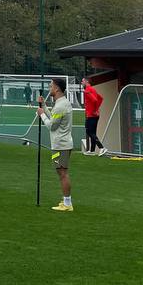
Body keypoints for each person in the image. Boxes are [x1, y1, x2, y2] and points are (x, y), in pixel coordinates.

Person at [37, 76, 75, 211]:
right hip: (61, 144)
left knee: (63, 173)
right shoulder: (61, 103)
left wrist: (41, 114)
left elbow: (51, 126)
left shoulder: (60, 106)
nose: (49, 88)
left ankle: (67, 203)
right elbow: (54, 118)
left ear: (57, 88)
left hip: (61, 145)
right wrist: (44, 106)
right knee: (61, 172)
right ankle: (66, 201)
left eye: (51, 86)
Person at [83, 81, 105, 155]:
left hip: (91, 115)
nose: (81, 82)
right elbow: (100, 98)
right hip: (94, 115)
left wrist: (94, 110)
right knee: (93, 132)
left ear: (87, 82)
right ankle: (92, 151)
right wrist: (96, 109)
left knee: (89, 131)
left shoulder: (87, 90)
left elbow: (95, 100)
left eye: (82, 81)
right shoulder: (93, 89)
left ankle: (101, 147)